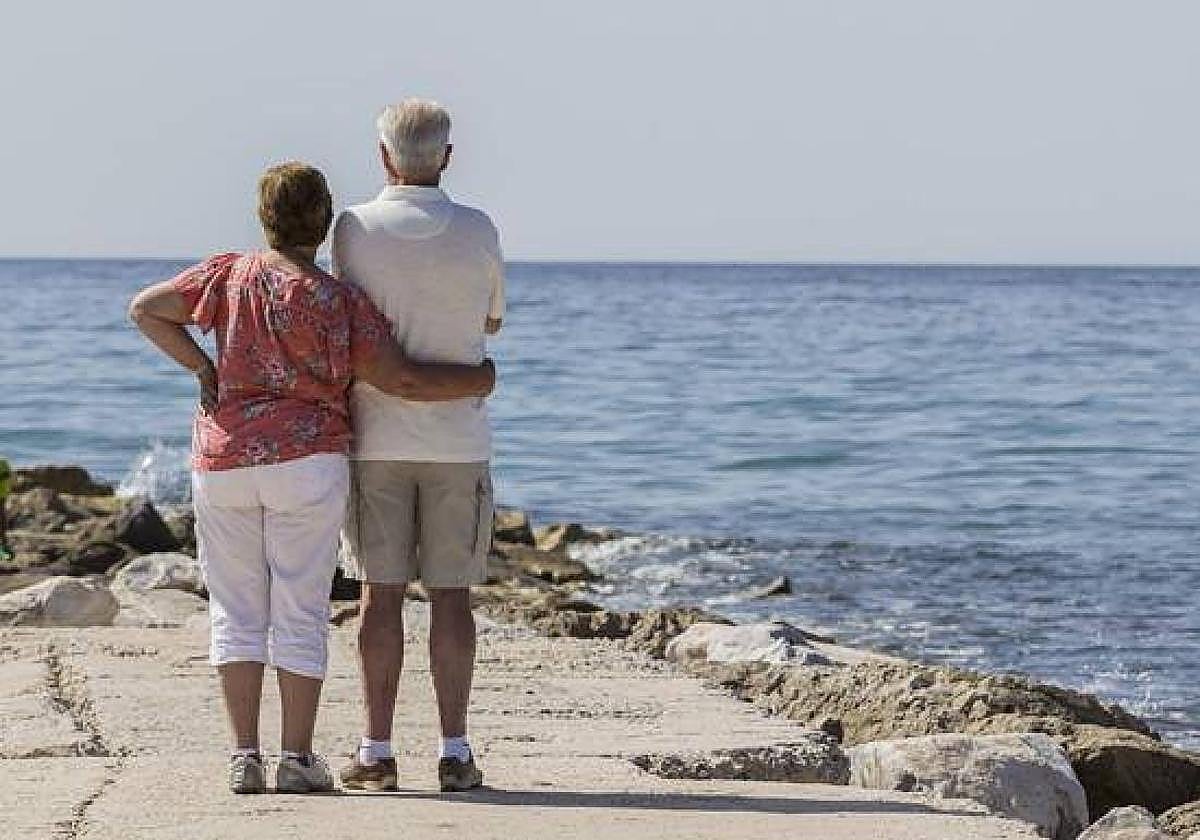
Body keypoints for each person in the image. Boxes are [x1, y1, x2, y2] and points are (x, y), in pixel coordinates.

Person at [128, 162, 496, 795]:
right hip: (307, 461)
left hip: (223, 462)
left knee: (236, 610)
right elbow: (402, 379)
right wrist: (478, 380)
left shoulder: (225, 274)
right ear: (324, 226)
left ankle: (244, 756)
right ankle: (296, 759)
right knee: (299, 608)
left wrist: (201, 368)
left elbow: (147, 309)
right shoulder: (338, 301)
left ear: (263, 218)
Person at [333, 98, 503, 793]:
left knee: (380, 595)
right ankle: (455, 751)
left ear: (383, 156)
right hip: (458, 439)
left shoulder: (352, 228)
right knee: (453, 597)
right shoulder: (479, 229)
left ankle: (375, 753)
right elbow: (490, 323)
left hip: (375, 438)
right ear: (448, 156)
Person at [0, 457, 11, 563]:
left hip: (1, 496)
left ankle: (4, 549)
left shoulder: (3, 462)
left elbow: (7, 475)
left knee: (2, 522)